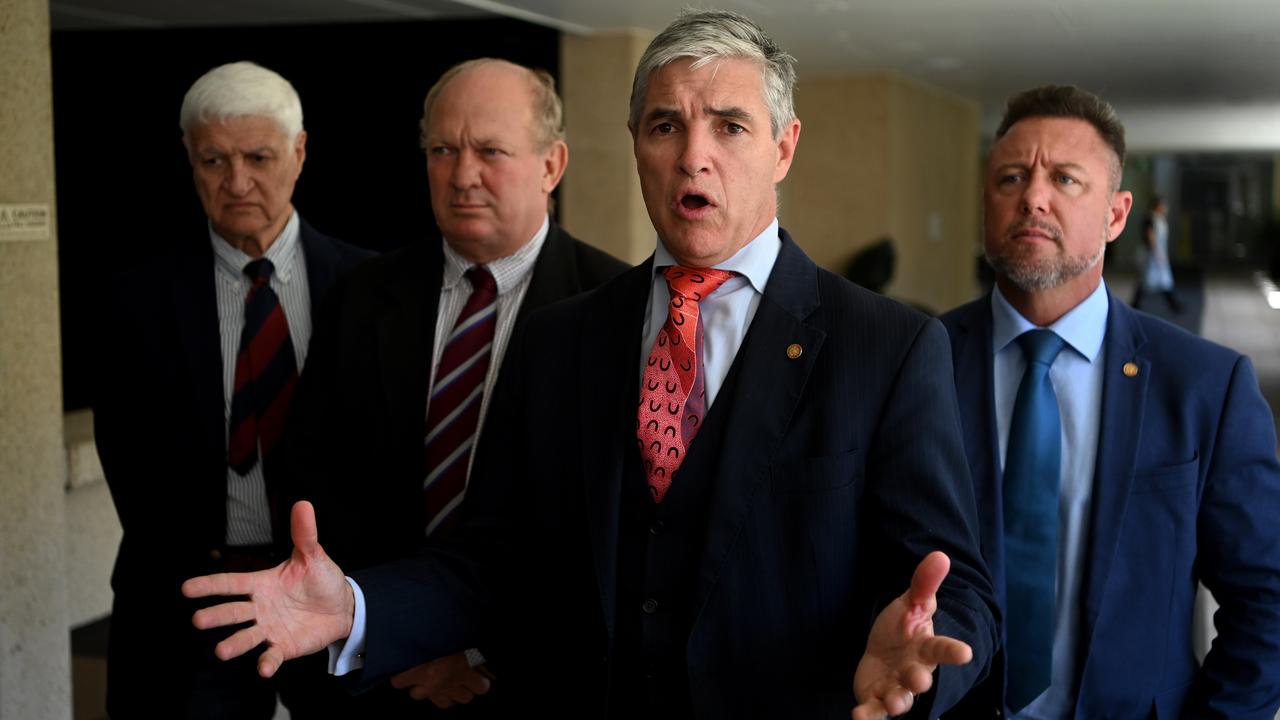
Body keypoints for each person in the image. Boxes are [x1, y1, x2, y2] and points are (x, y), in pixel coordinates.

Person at [184, 11, 999, 719]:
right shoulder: (561, 339)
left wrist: (923, 659)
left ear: (784, 148)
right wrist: (358, 607)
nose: (694, 156)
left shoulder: (887, 346)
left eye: (730, 126)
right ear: (637, 146)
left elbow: (953, 583)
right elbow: (490, 559)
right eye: (664, 126)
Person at [277, 58, 627, 714]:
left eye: (490, 151)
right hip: (374, 675)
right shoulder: (361, 296)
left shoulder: (619, 311)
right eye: (443, 149)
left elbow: (610, 534)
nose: (462, 175)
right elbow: (313, 477)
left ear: (552, 164)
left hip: (541, 681)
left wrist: (475, 649)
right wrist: (391, 632)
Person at [941, 85, 1280, 719]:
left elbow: (1265, 599)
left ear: (1117, 215)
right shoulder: (919, 362)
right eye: (1011, 177)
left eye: (1066, 180)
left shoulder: (1206, 386)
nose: (1033, 197)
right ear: (986, 200)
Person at [93, 61, 373, 718]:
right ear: (190, 160)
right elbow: (128, 463)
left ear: (299, 154)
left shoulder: (371, 288)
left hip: (331, 597)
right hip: (186, 607)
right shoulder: (136, 300)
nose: (237, 181)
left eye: (258, 156)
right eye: (214, 160)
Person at [1130, 195, 1182, 313]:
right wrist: (1157, 252)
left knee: (1162, 280)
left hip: (1158, 254)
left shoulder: (1159, 218)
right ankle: (1135, 304)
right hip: (1151, 254)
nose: (1165, 208)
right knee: (1147, 280)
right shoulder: (1150, 219)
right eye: (1163, 205)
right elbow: (1150, 237)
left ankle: (1173, 304)